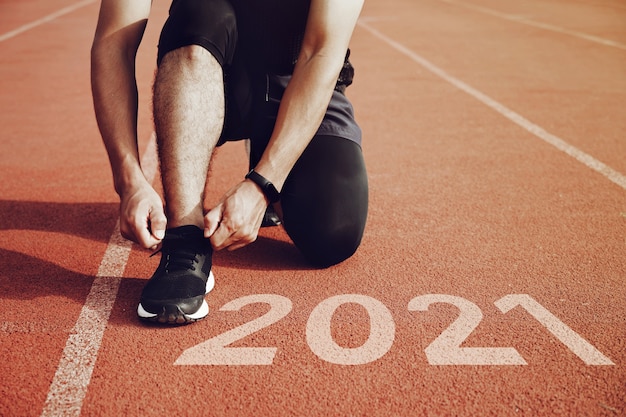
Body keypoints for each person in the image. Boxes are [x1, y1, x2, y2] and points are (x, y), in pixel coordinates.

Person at [91, 0, 368, 325]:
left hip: (296, 76)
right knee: (200, 12)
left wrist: (265, 182)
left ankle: (268, 146)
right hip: (202, 71)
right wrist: (130, 182)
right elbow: (114, 43)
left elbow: (321, 52)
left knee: (333, 233)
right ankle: (184, 240)